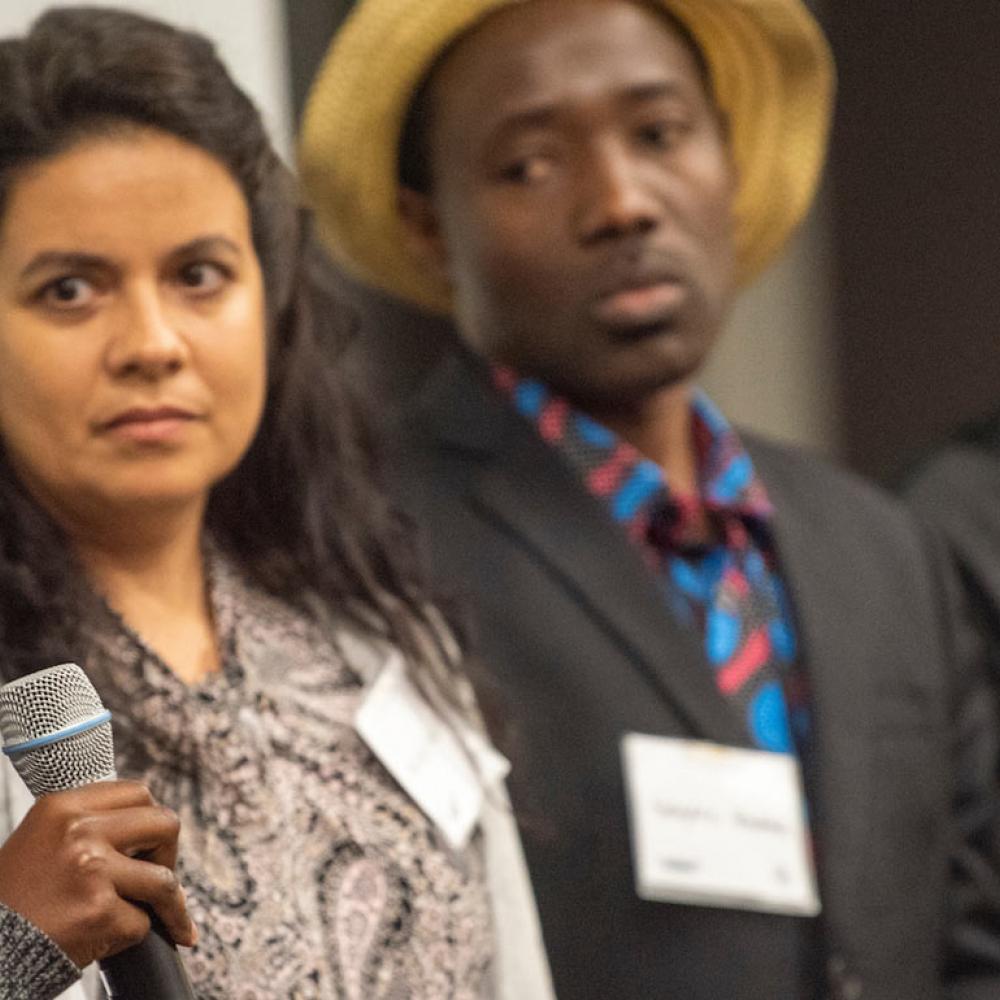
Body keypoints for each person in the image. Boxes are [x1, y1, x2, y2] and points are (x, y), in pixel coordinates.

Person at [299, 0, 1000, 997]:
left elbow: (971, 933)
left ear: (729, 162)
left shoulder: (881, 543)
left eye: (660, 133)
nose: (621, 201)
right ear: (426, 224)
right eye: (528, 165)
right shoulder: (367, 545)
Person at [0, 7, 524, 999]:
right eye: (71, 289)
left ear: (270, 305)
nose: (153, 342)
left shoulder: (380, 638)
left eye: (199, 276)